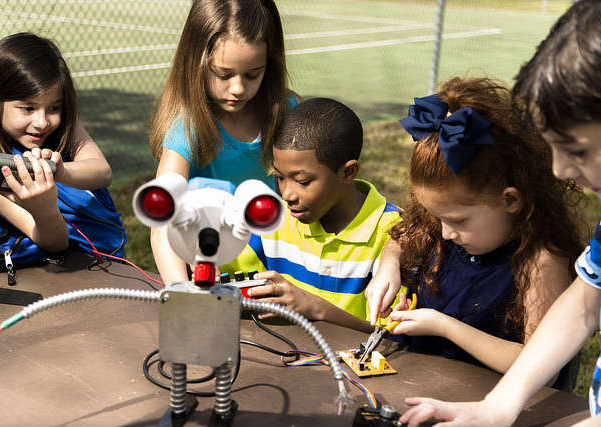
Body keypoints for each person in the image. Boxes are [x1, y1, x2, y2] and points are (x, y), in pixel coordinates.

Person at [393, 1, 601, 425]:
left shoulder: (538, 257)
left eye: (576, 150)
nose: (560, 170)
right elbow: (585, 301)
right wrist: (498, 406)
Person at [363, 77, 584, 375]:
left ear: (511, 201)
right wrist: (388, 267)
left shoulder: (541, 263)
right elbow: (400, 242)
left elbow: (542, 364)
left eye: (458, 221)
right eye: (437, 217)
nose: (445, 233)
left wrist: (443, 326)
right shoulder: (446, 228)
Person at [148, 0, 298, 284]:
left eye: (253, 74)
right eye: (223, 74)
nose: (238, 88)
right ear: (196, 63)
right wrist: (181, 291)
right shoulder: (187, 127)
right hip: (211, 272)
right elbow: (163, 222)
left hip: (282, 268)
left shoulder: (286, 112)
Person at [221, 97, 403, 332]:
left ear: (348, 172)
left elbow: (393, 338)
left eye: (303, 181)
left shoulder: (395, 233)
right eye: (279, 177)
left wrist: (318, 309)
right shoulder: (274, 218)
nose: (287, 194)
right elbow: (224, 278)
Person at [0, 32, 125, 257]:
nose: (42, 122)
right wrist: (45, 209)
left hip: (116, 259)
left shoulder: (66, 125)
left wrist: (56, 170)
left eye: (54, 107)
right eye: (28, 108)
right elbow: (55, 243)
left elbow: (102, 172)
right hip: (75, 269)